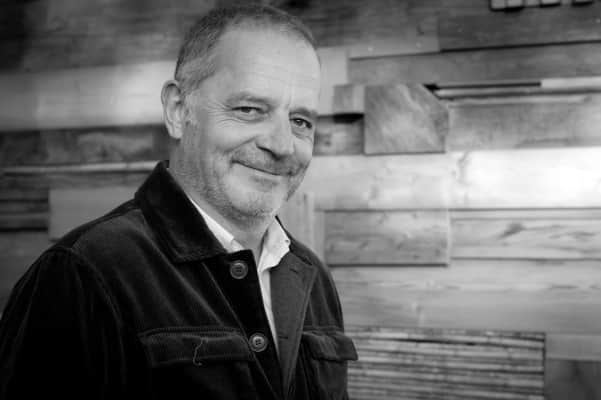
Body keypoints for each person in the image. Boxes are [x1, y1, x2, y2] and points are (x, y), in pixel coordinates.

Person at [0, 4, 357, 400]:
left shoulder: (313, 277)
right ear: (178, 110)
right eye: (250, 110)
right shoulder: (84, 273)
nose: (282, 145)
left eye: (301, 121)